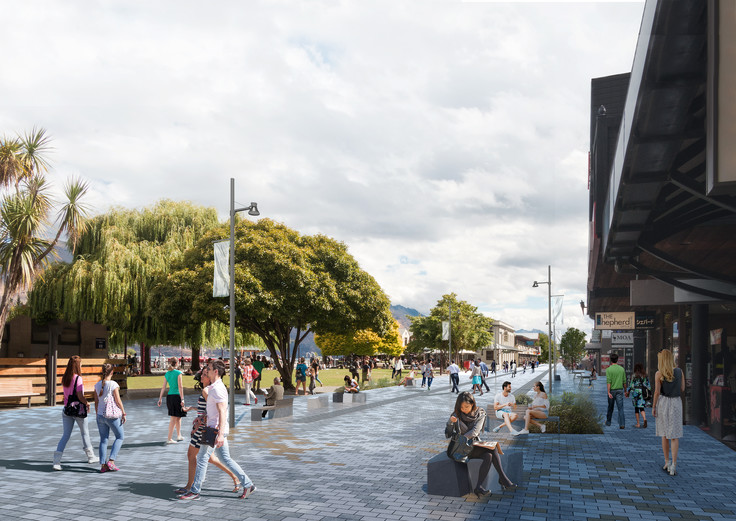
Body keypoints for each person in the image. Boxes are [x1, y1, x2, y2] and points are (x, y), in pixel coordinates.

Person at [179, 360, 256, 500]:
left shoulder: (217, 389)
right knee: (225, 458)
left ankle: (195, 491)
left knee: (202, 458)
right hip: (215, 428)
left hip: (214, 430)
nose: (206, 371)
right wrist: (201, 417)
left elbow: (222, 411)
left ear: (216, 371)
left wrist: (220, 434)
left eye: (208, 368)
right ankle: (248, 484)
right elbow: (214, 411)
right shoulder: (214, 387)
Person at [174, 370, 239, 495]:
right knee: (210, 458)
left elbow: (213, 410)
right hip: (202, 426)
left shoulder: (207, 391)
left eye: (204, 375)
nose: (202, 376)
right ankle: (234, 477)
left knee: (193, 455)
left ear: (210, 378)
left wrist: (199, 423)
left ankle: (190, 486)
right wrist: (193, 408)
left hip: (203, 428)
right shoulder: (206, 390)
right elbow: (206, 408)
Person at [445, 392, 517, 497]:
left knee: (489, 455)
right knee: (492, 450)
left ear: (473, 404)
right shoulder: (455, 415)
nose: (464, 409)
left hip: (473, 445)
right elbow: (448, 434)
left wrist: (464, 437)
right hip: (460, 449)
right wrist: (450, 422)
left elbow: (475, 432)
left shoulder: (480, 413)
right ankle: (503, 479)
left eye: (467, 406)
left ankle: (479, 487)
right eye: (461, 407)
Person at [53, 356, 98, 470]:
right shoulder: (78, 378)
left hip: (67, 410)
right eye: (81, 364)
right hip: (78, 411)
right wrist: (87, 403)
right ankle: (91, 456)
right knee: (84, 433)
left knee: (65, 435)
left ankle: (56, 461)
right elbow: (80, 396)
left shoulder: (65, 378)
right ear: (78, 365)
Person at [653, 349, 684, 476]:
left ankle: (667, 462)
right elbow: (682, 388)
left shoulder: (659, 374)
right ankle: (674, 465)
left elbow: (656, 392)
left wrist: (653, 406)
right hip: (676, 402)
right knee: (675, 435)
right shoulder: (679, 371)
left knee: (664, 434)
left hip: (664, 402)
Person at [94, 363, 126, 472]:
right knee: (120, 436)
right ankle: (111, 461)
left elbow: (96, 402)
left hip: (100, 415)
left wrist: (98, 414)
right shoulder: (113, 384)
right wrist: (123, 412)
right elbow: (118, 400)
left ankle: (103, 466)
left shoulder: (97, 385)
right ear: (112, 372)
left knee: (103, 440)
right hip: (111, 416)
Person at [157, 357, 187, 443]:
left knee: (178, 417)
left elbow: (163, 387)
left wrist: (160, 398)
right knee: (174, 418)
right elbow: (180, 387)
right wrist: (182, 399)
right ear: (177, 363)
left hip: (170, 397)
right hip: (176, 396)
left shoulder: (167, 374)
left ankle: (179, 435)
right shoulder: (178, 373)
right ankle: (169, 439)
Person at [605, 352, 627, 429]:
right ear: (617, 360)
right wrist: (625, 390)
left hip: (611, 391)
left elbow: (609, 382)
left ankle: (608, 422)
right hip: (620, 391)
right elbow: (624, 381)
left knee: (610, 407)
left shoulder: (608, 369)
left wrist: (608, 392)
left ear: (611, 360)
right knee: (620, 408)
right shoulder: (622, 369)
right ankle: (622, 424)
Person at [627, 364, 651, 428]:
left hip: (635, 392)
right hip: (642, 392)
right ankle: (645, 419)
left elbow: (631, 385)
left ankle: (638, 423)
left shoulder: (634, 375)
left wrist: (628, 391)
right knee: (641, 407)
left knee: (636, 408)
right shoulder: (645, 375)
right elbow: (648, 385)